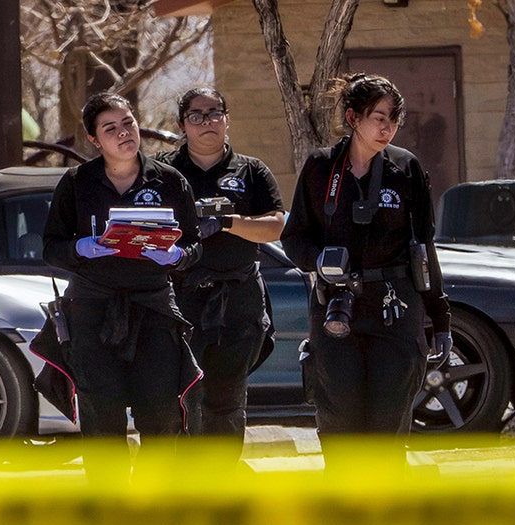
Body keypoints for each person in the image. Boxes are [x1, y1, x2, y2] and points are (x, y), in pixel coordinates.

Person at [280, 73, 451, 476]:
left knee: (388, 424)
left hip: (395, 308)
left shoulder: (405, 167)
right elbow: (294, 239)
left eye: (394, 119)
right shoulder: (322, 167)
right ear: (353, 118)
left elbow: (424, 248)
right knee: (339, 422)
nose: (387, 128)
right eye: (379, 117)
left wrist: (440, 319)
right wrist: (321, 261)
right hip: (336, 310)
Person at [41, 91, 202, 486]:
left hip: (153, 308)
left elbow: (194, 245)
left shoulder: (169, 180)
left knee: (162, 414)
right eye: (110, 128)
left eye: (128, 123)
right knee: (101, 415)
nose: (123, 133)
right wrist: (81, 248)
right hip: (92, 310)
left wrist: (177, 256)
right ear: (94, 140)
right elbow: (51, 248)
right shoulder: (77, 183)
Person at [158, 86, 286, 471]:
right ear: (182, 124)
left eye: (215, 113)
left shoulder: (251, 171)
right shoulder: (163, 171)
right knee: (182, 398)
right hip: (180, 299)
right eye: (196, 116)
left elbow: (275, 226)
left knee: (226, 400)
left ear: (227, 119)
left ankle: (222, 482)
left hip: (237, 300)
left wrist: (228, 222)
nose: (207, 122)